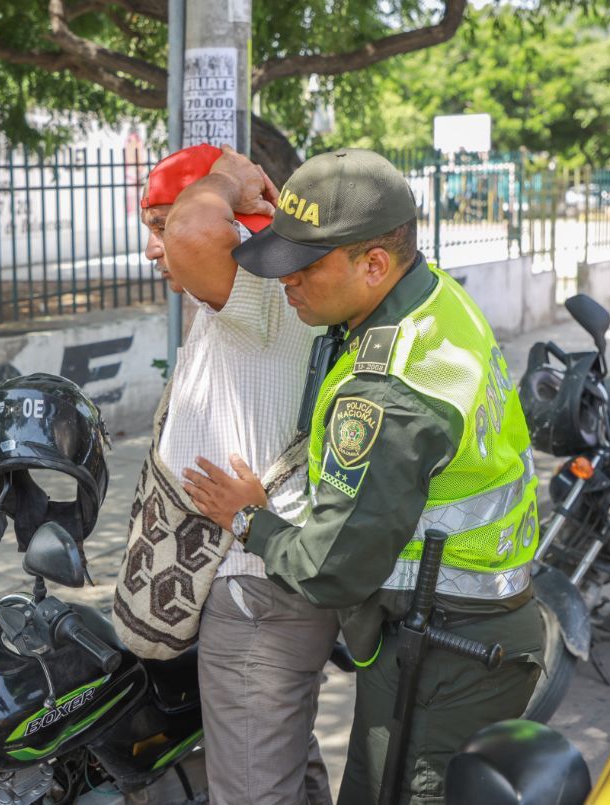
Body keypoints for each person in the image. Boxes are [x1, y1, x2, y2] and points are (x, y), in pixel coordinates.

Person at [180, 148, 544, 805]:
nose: (285, 283)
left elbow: (329, 568)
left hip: (449, 648)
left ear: (374, 263)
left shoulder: (383, 394)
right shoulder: (434, 301)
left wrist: (249, 518)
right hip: (480, 625)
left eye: (303, 268)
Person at [113, 144, 341, 804]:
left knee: (247, 787)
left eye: (160, 224)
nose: (157, 248)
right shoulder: (254, 292)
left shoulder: (260, 287)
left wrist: (225, 179)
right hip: (255, 580)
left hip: (251, 590)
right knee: (283, 759)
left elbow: (193, 235)